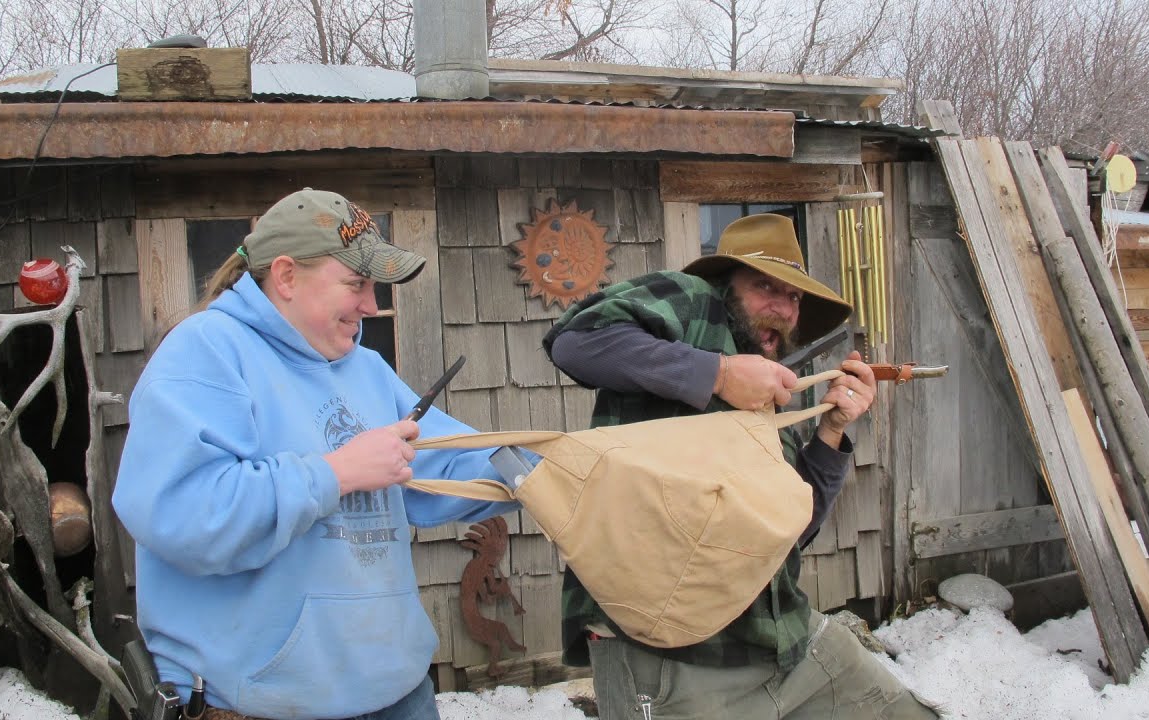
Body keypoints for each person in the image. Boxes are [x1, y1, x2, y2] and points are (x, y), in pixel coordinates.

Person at [113, 188, 520, 720]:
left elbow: (441, 461)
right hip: (256, 704)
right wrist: (337, 473)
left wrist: (542, 471)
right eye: (356, 283)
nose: (371, 305)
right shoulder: (205, 351)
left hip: (399, 692)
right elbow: (185, 514)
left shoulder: (365, 367)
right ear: (286, 276)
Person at [542, 213, 937, 719]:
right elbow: (575, 341)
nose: (783, 309)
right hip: (669, 652)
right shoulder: (693, 301)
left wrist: (832, 430)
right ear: (725, 284)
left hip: (782, 640)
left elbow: (788, 532)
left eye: (793, 297)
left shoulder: (772, 392)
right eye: (764, 287)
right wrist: (719, 374)